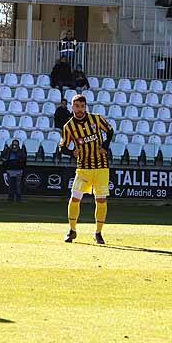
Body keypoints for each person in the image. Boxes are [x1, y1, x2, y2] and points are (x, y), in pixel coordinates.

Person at [59, 95, 115, 245]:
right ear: (72, 107)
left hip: (101, 167)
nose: (79, 109)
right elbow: (62, 147)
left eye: (82, 106)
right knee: (75, 198)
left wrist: (105, 146)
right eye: (76, 106)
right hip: (83, 168)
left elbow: (110, 131)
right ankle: (72, 230)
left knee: (101, 200)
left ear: (85, 107)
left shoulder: (96, 119)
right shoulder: (69, 127)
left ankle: (98, 233)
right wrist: (71, 152)